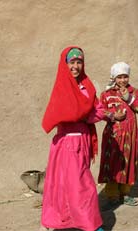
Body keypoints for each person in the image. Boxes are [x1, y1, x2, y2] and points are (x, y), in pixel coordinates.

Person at [40, 46, 105, 231]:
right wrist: (84, 115)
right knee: (81, 185)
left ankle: (72, 221)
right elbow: (64, 113)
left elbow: (98, 110)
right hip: (68, 143)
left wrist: (85, 116)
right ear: (65, 64)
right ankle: (91, 224)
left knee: (73, 184)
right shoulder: (63, 87)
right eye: (72, 62)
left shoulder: (86, 85)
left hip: (82, 141)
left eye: (79, 62)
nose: (75, 66)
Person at [98, 61, 138, 210]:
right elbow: (100, 112)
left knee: (128, 162)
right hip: (113, 137)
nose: (123, 80)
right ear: (114, 78)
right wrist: (113, 115)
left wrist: (128, 98)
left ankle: (125, 194)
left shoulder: (135, 92)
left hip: (130, 136)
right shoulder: (107, 95)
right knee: (112, 164)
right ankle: (112, 195)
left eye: (125, 76)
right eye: (119, 77)